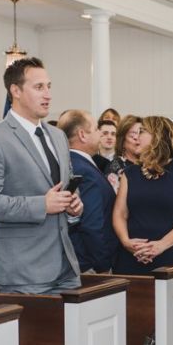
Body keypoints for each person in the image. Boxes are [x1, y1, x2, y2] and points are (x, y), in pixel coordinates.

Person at [0, 57, 83, 294]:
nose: (48, 94)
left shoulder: (57, 136)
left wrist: (73, 205)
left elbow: (65, 184)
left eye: (49, 86)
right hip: (23, 272)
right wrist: (42, 204)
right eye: (39, 87)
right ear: (16, 91)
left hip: (66, 266)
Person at [113, 116, 173, 274]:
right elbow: (120, 213)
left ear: (158, 135)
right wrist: (125, 241)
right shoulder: (130, 173)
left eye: (142, 131)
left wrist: (161, 245)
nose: (136, 136)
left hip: (171, 258)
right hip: (132, 257)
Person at [57, 110, 118, 273]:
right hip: (90, 264)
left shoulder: (70, 163)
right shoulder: (84, 170)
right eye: (97, 129)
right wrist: (103, 265)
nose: (100, 134)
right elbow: (92, 224)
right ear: (82, 135)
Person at [104, 115, 142, 193]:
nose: (138, 139)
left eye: (141, 134)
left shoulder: (150, 163)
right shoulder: (115, 166)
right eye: (133, 135)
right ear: (122, 141)